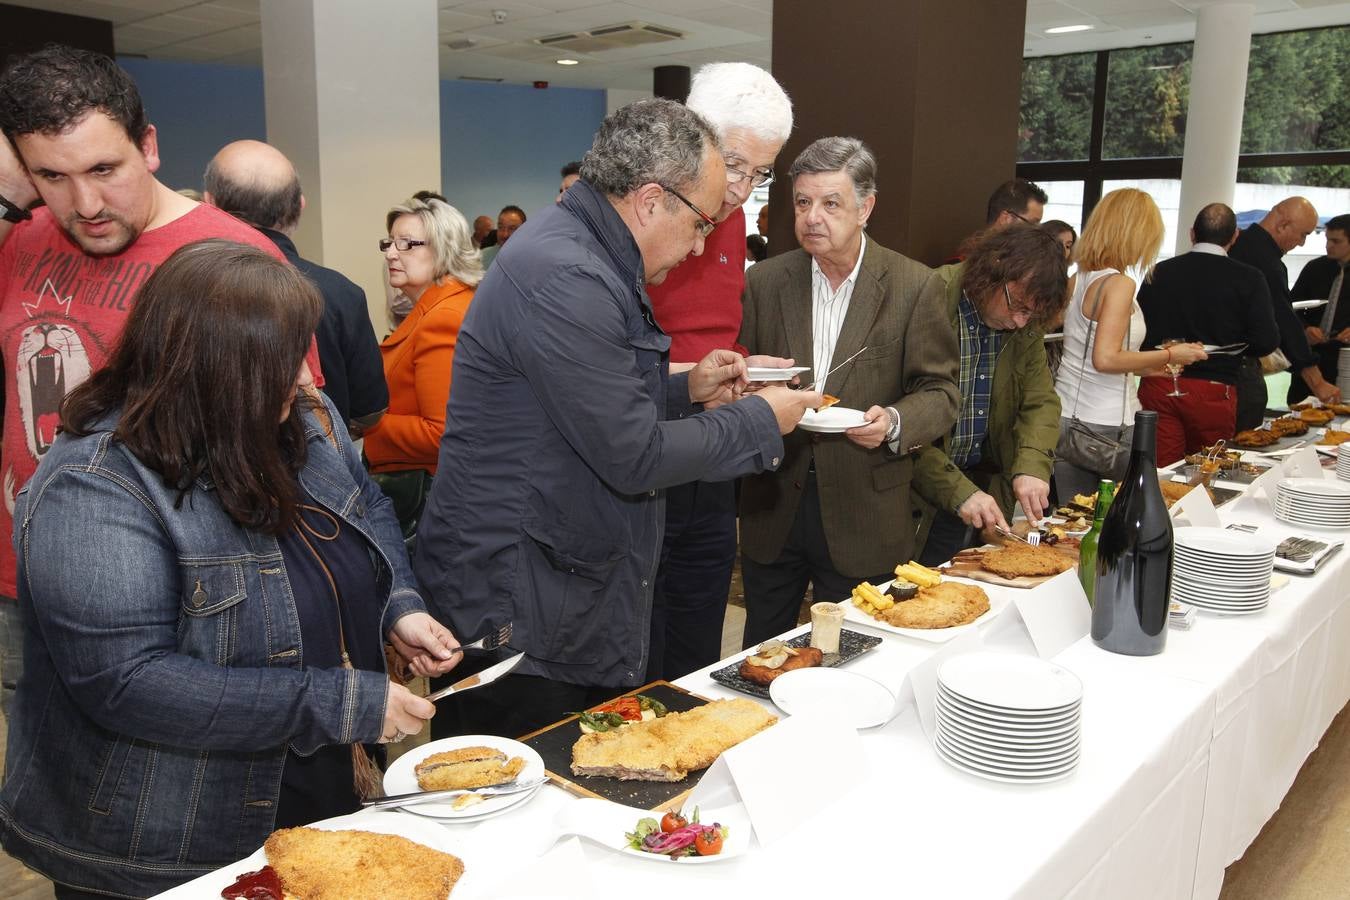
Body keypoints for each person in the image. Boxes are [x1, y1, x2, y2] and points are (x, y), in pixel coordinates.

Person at [0, 241, 461, 899]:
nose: (304, 381)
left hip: (311, 792)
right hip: (163, 838)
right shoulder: (94, 485)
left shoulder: (303, 418)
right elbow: (129, 683)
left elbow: (367, 510)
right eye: (280, 364)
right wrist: (339, 701)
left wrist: (399, 606)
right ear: (210, 371)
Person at [412, 99, 819, 738]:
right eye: (702, 221)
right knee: (518, 791)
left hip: (541, 573)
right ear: (652, 200)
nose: (702, 243)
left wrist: (688, 392)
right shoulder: (567, 273)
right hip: (517, 597)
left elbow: (582, 402)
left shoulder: (580, 251)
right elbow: (633, 454)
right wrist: (762, 421)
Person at [0, 45, 320, 720]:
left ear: (148, 146)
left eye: (103, 169)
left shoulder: (233, 257)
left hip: (183, 595)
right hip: (19, 580)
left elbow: (303, 443)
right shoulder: (23, 238)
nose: (84, 202)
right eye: (52, 175)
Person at [737, 136, 960, 648]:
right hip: (774, 500)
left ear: (866, 207)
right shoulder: (765, 282)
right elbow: (744, 372)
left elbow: (940, 391)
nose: (813, 217)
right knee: (762, 652)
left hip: (866, 507)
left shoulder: (914, 286)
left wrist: (895, 423)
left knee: (853, 652)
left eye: (830, 203)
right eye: (802, 202)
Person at [643, 62, 793, 681]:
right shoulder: (648, 211)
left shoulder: (730, 219)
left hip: (712, 443)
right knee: (642, 636)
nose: (741, 187)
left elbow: (709, 327)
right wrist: (694, 376)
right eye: (734, 164)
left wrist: (739, 366)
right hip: (647, 442)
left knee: (698, 627)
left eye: (759, 173)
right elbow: (608, 362)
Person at [204, 140, 388, 433]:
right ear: (300, 205)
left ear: (209, 204)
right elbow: (369, 410)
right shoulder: (342, 293)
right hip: (321, 469)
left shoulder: (183, 289)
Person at [913, 225, 1068, 566]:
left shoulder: (1024, 323)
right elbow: (907, 420)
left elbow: (1039, 401)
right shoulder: (929, 295)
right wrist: (959, 492)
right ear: (991, 271)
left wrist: (1031, 468)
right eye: (1017, 306)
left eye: (1030, 314)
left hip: (976, 485)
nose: (1018, 321)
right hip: (915, 490)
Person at [1052, 188, 1207, 499]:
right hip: (1108, 426)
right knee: (1131, 514)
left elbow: (1087, 352)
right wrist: (1169, 353)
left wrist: (1150, 369)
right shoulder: (1120, 284)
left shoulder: (1079, 278)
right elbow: (1105, 359)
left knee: (1073, 521)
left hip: (1065, 417)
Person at [364, 195, 481, 540]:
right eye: (389, 243)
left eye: (407, 244)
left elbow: (441, 432)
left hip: (431, 499)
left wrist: (363, 425)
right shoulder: (442, 306)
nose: (390, 254)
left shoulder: (443, 318)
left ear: (444, 248)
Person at [1138, 203, 1281, 465]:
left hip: (1159, 384)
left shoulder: (1159, 271)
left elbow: (1138, 330)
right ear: (1235, 236)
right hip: (1214, 388)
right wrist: (1233, 347)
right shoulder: (1249, 278)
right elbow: (1266, 341)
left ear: (1192, 234)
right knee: (1206, 471)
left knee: (1159, 471)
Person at [1230, 197, 1341, 425]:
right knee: (1242, 444)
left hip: (1210, 370)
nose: (1301, 244)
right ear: (1282, 225)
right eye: (1303, 234)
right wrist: (1317, 381)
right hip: (1239, 370)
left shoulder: (1235, 244)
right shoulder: (1266, 261)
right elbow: (1284, 320)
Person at [1290, 212, 1350, 404]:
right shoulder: (1315, 268)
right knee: (1298, 413)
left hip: (1345, 361)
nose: (1328, 246)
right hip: (1310, 358)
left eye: (1336, 241)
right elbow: (1289, 308)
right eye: (1327, 239)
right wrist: (1305, 328)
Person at [479, 204, 526, 269]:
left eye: (512, 228)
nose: (504, 234)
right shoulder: (482, 257)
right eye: (500, 227)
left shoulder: (533, 259)